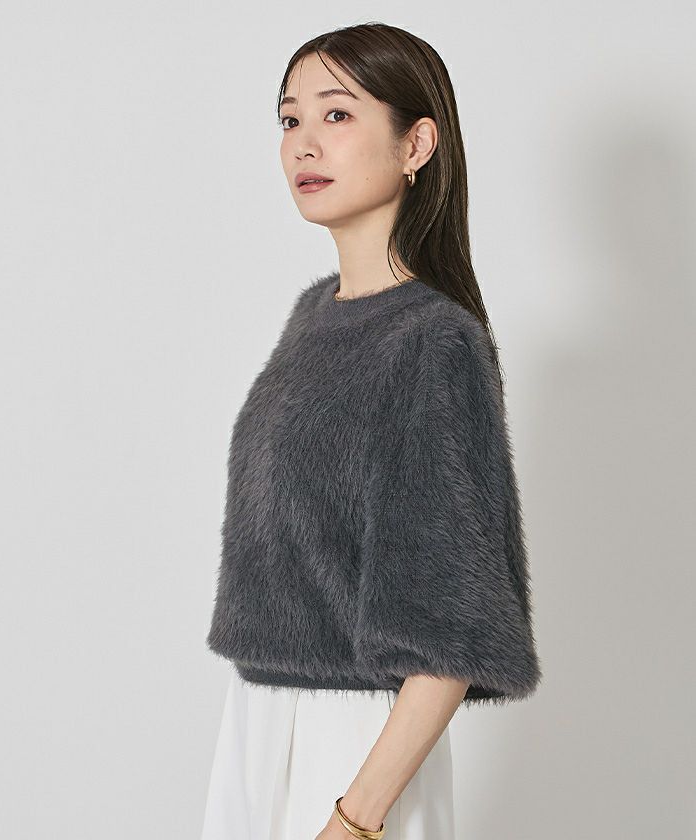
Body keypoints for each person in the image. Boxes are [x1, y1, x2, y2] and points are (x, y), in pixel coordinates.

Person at [201, 22, 542, 840]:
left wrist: (355, 819)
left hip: (354, 747)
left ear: (416, 143)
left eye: (337, 114)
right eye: (289, 119)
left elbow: (452, 631)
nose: (303, 143)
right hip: (257, 726)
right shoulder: (313, 316)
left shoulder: (432, 341)